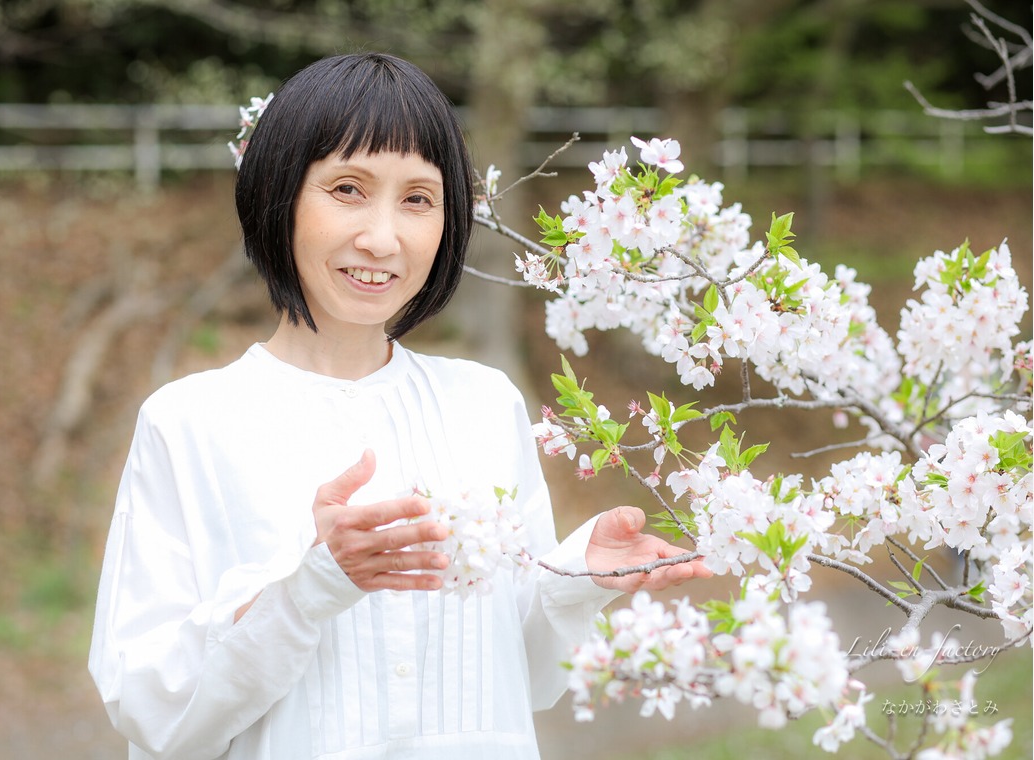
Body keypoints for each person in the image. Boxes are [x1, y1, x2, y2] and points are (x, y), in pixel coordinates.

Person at [88, 52, 711, 760]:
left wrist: (575, 581)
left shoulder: (483, 405)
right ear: (277, 193)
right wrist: (310, 585)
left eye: (418, 198)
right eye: (348, 188)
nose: (382, 238)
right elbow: (149, 705)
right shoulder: (191, 423)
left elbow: (528, 677)